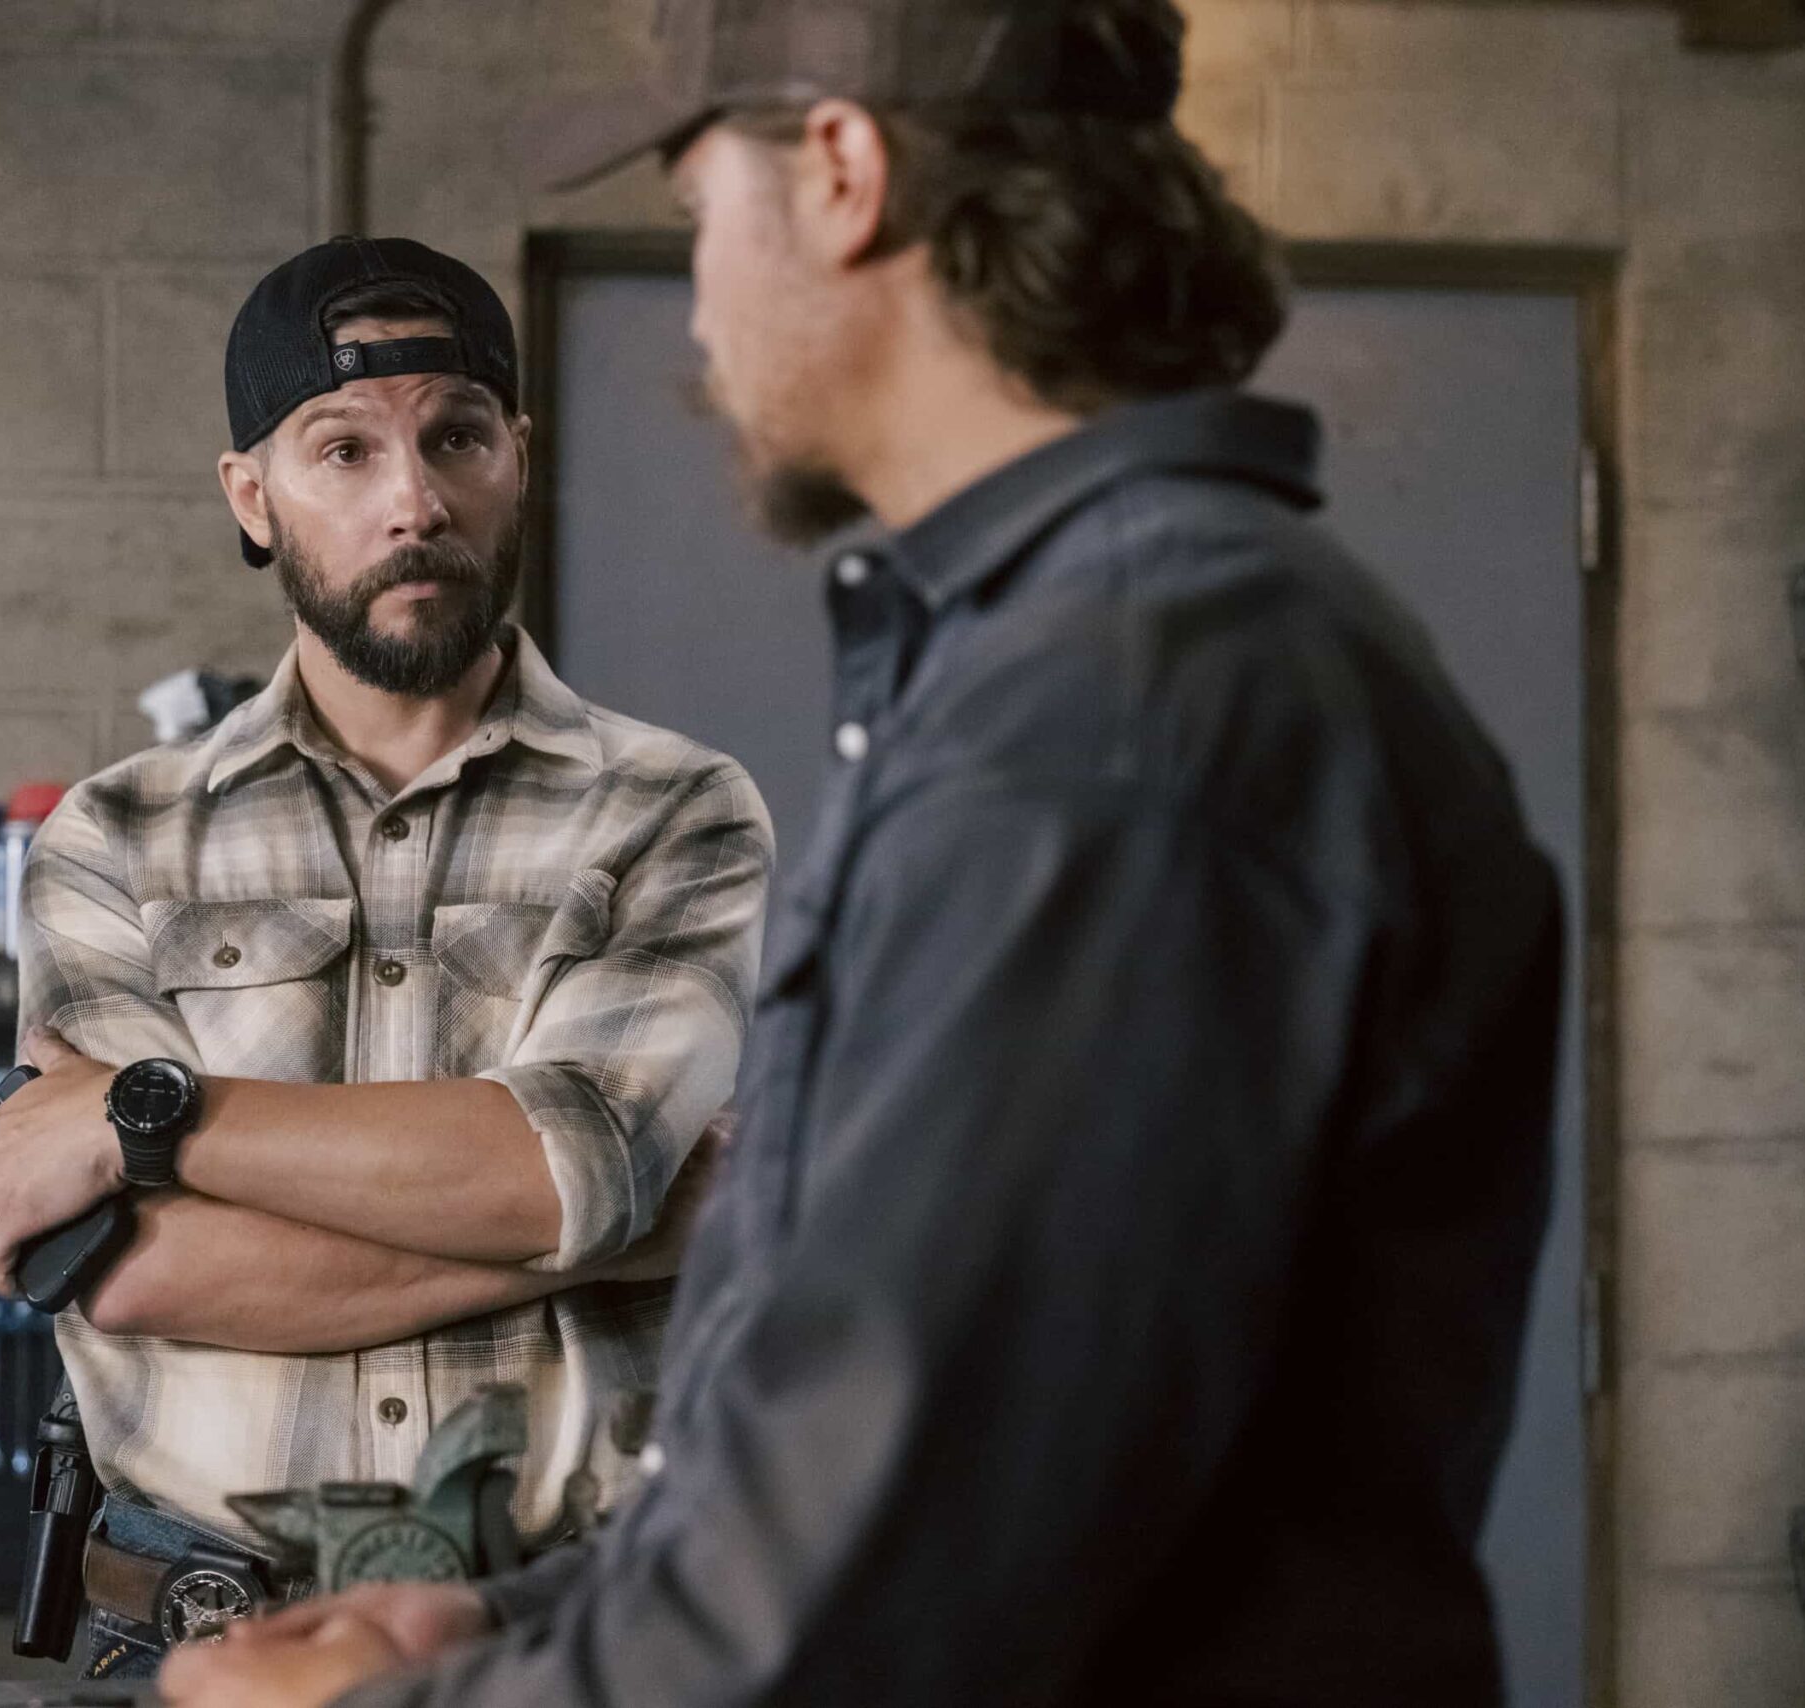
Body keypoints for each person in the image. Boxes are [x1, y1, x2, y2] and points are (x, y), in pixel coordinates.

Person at [163, 1, 1564, 1703]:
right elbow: (876, 1471)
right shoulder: (1091, 658)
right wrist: (509, 1623)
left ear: (839, 172)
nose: (696, 307)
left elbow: (898, 1596)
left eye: (698, 221)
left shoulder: (1112, 720)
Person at [0, 236, 771, 1679]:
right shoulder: (114, 840)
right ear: (252, 497)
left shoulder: (676, 811)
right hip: (192, 1642)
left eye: (457, 436)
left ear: (519, 458)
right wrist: (622, 1229)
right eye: (343, 452)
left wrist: (155, 1116)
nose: (414, 500)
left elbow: (567, 1167)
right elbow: (125, 1267)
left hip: (568, 1640)